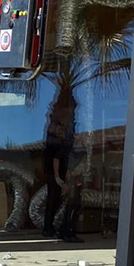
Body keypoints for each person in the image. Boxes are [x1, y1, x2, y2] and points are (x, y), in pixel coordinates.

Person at [43, 91, 81, 242]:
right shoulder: (59, 142)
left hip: (58, 174)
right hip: (56, 175)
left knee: (55, 199)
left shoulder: (57, 139)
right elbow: (57, 159)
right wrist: (58, 176)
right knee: (53, 199)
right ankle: (49, 227)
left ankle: (50, 227)